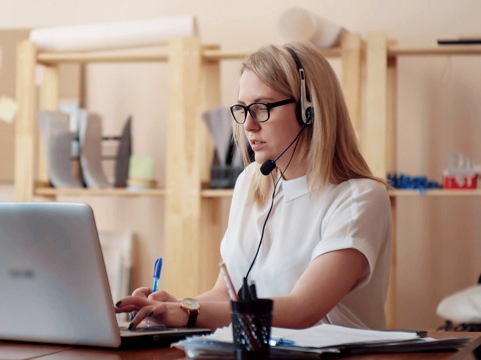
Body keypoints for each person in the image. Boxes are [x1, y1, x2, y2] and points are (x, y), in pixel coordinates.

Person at [114, 41, 392, 331]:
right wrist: (173, 307)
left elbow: (302, 309)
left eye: (261, 108)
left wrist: (188, 313)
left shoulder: (359, 198)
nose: (248, 125)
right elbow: (225, 294)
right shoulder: (251, 183)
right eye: (243, 109)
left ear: (309, 111)